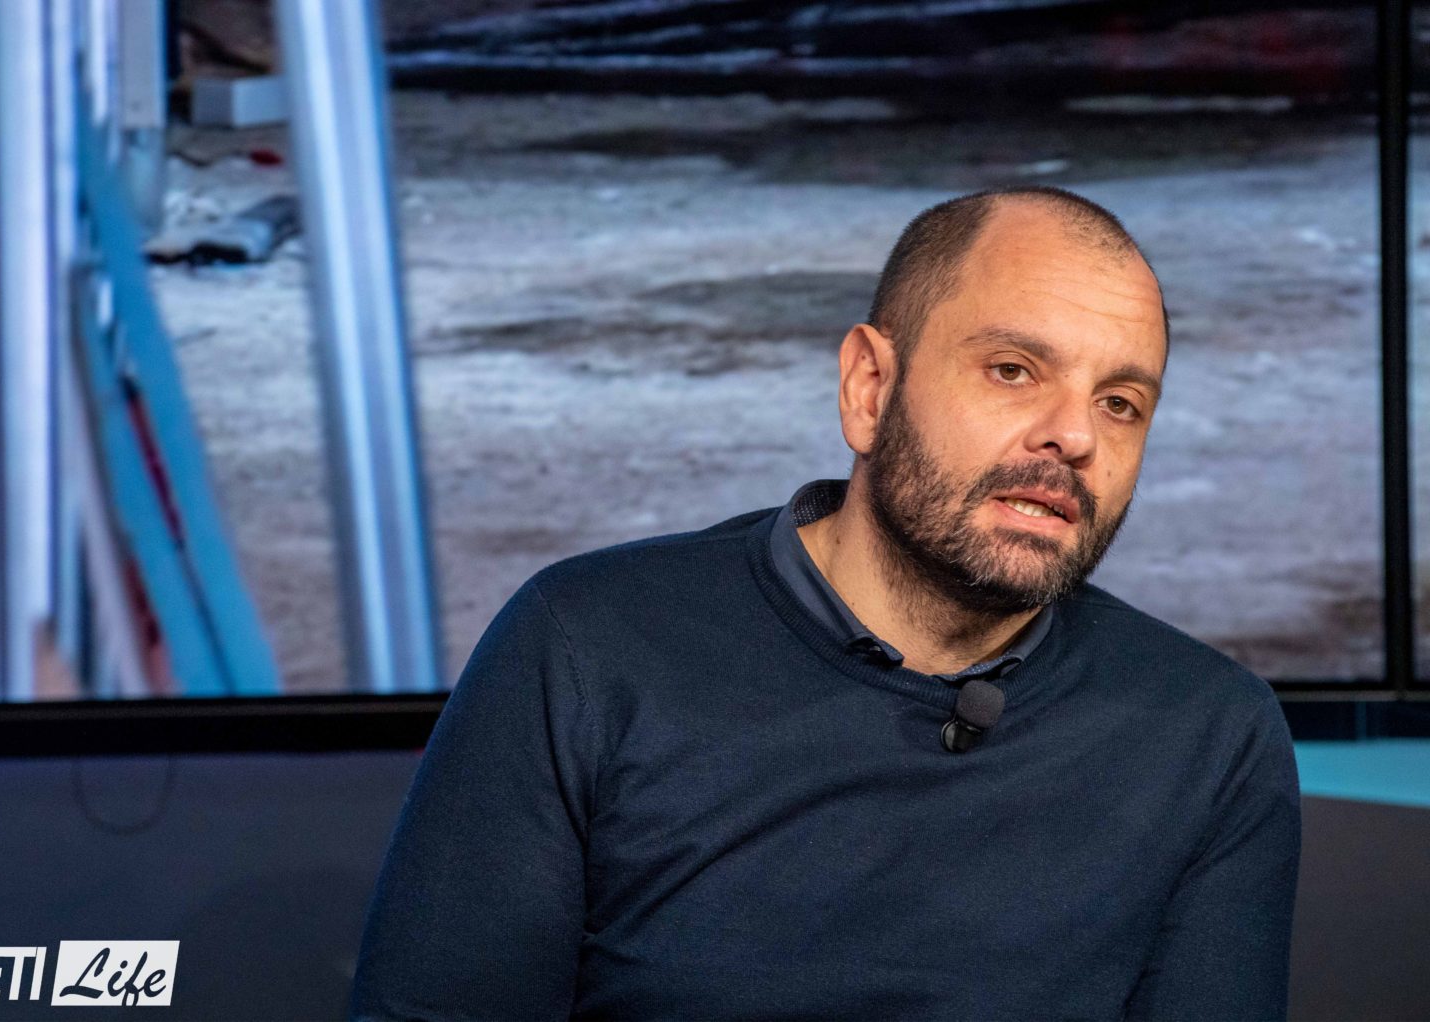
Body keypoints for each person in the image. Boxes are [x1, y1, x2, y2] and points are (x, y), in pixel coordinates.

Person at [350, 186, 1301, 1021]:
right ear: (869, 388)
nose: (1074, 437)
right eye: (1014, 370)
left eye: (1120, 403)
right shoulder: (585, 646)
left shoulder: (1207, 731)